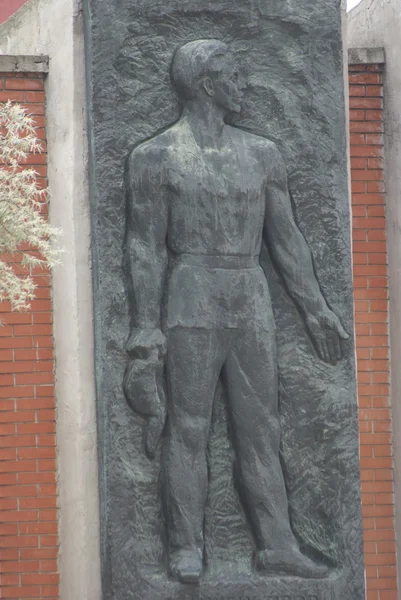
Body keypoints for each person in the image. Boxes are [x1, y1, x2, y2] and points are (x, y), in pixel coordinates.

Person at [123, 39, 349, 584]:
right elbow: (144, 248)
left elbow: (288, 240)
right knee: (190, 427)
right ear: (206, 84)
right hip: (191, 295)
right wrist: (146, 329)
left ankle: (276, 544)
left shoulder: (263, 154)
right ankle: (184, 547)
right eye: (234, 74)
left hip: (250, 296)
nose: (244, 83)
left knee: (260, 429)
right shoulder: (153, 157)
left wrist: (316, 308)